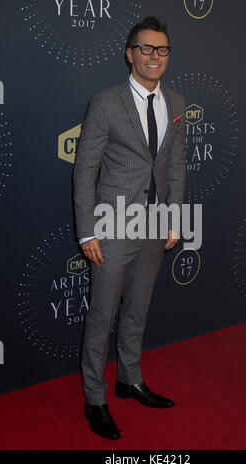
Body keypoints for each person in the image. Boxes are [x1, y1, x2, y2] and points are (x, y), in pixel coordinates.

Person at [73, 16, 186, 440]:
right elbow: (85, 170)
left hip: (155, 223)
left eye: (162, 49)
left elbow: (175, 165)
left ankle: (129, 379)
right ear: (130, 52)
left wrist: (174, 217)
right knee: (102, 317)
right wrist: (88, 231)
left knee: (137, 311)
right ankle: (95, 398)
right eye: (146, 48)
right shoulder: (106, 102)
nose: (154, 56)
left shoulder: (175, 101)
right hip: (113, 223)